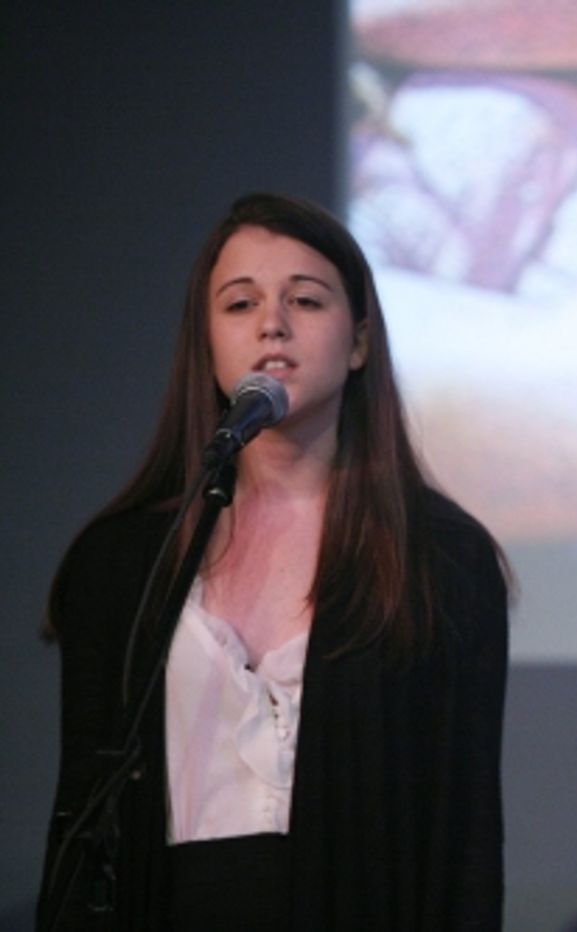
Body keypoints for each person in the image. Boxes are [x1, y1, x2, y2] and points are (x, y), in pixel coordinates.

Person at [37, 193, 511, 930]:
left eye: (306, 300)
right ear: (208, 343)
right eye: (239, 304)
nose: (272, 324)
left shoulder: (439, 560)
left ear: (358, 343)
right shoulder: (124, 560)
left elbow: (466, 840)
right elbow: (81, 818)